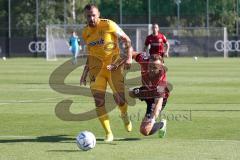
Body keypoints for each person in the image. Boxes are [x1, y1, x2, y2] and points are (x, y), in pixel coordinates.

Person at [80, 4, 133, 142]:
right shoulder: (85, 33)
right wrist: (84, 72)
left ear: (99, 14)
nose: (91, 18)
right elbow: (90, 54)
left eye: (93, 15)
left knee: (120, 99)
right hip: (95, 70)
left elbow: (127, 39)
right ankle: (108, 133)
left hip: (113, 67)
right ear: (85, 17)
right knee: (98, 101)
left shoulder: (109, 25)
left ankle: (124, 114)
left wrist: (129, 57)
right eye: (88, 16)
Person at [108, 52, 169, 137]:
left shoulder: (161, 82)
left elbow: (158, 103)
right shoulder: (144, 60)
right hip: (145, 91)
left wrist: (152, 119)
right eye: (150, 66)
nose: (151, 69)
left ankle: (162, 124)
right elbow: (132, 53)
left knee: (144, 131)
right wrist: (123, 61)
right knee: (121, 96)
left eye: (154, 68)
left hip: (155, 98)